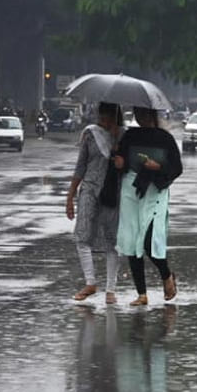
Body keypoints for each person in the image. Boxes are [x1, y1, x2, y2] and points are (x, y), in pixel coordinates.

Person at [114, 107, 183, 306]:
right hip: (131, 190)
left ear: (152, 115)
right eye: (137, 115)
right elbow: (121, 161)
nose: (141, 119)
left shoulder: (165, 138)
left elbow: (177, 168)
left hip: (155, 192)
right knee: (131, 241)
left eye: (144, 115)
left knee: (149, 241)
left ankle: (167, 275)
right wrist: (119, 163)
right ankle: (142, 294)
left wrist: (159, 167)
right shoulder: (130, 136)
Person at [66, 102, 125, 304]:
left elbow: (132, 166)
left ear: (115, 116)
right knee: (82, 236)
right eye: (101, 116)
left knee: (112, 242)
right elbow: (81, 165)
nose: (103, 120)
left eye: (108, 116)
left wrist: (120, 155)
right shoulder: (90, 134)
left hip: (113, 194)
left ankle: (111, 289)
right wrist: (70, 196)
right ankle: (90, 282)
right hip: (89, 190)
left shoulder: (124, 136)